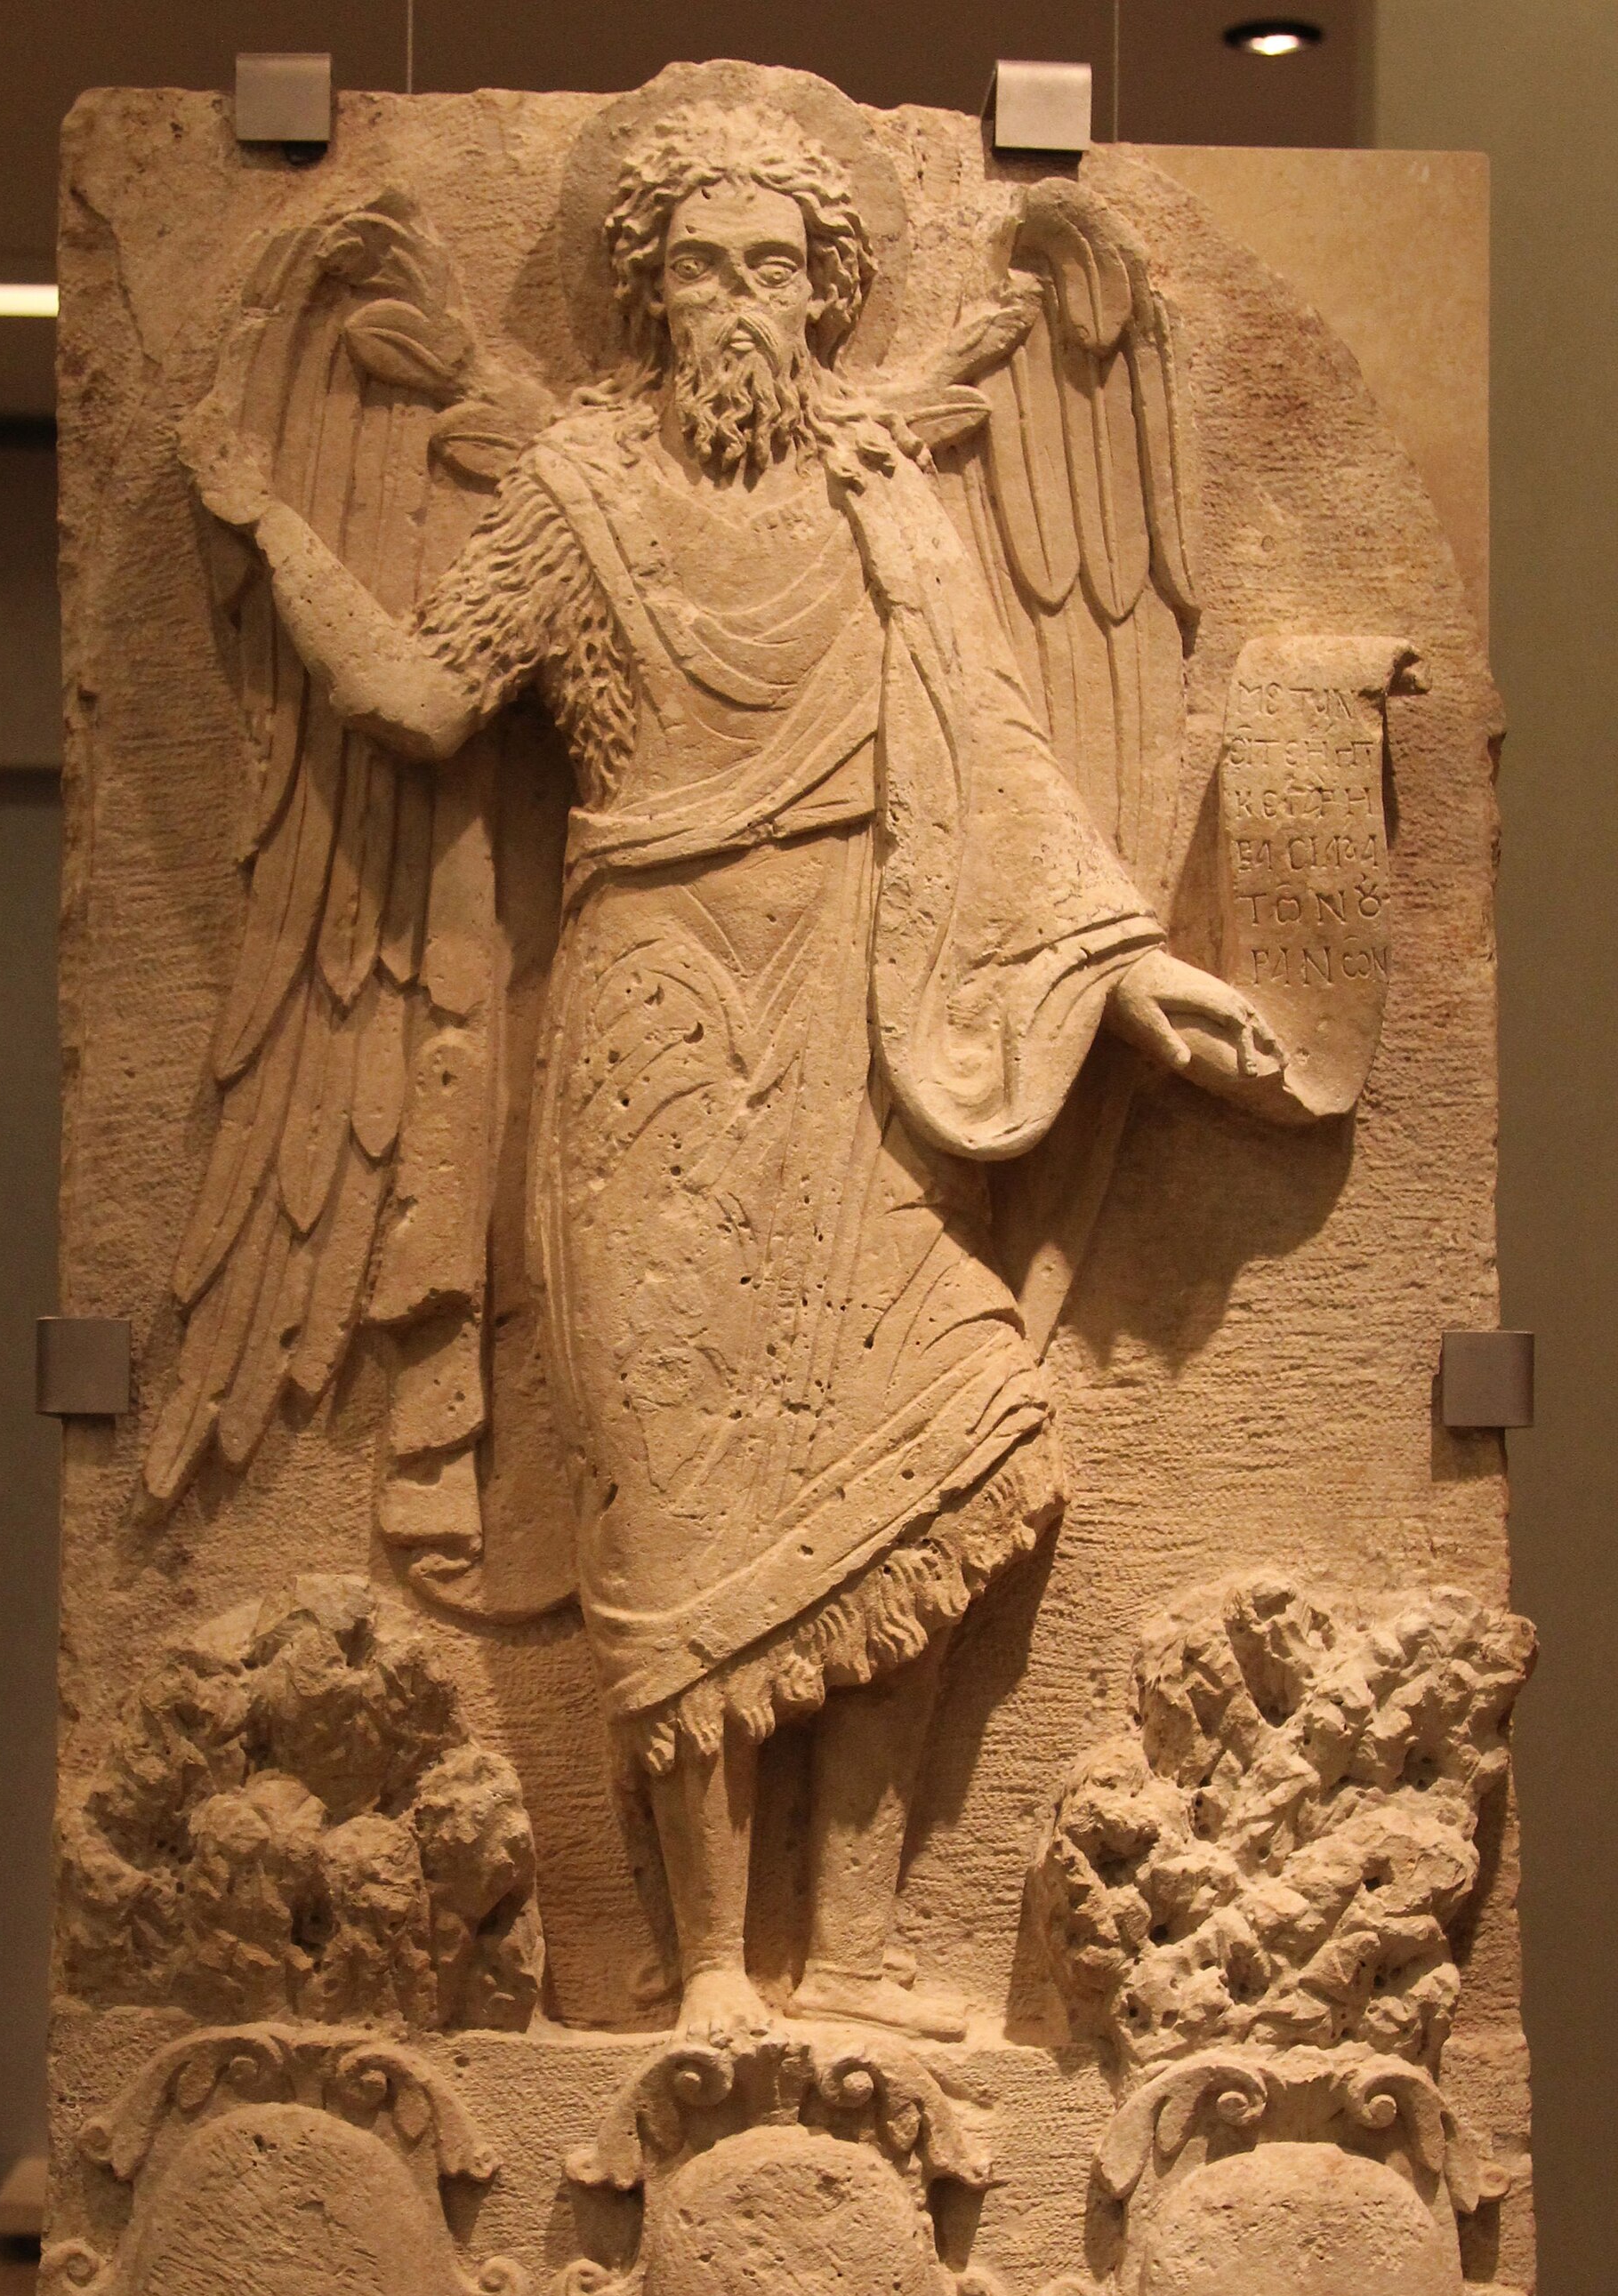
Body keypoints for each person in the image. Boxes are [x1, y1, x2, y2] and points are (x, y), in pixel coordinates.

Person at [180, 101, 1285, 2045]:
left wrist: (1125, 977)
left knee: (949, 1443)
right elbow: (429, 701)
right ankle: (706, 1974)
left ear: (831, 298)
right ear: (646, 298)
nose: (739, 304)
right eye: (702, 266)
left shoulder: (885, 510)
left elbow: (1003, 759)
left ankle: (847, 1942)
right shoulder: (580, 502)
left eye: (776, 266)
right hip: (656, 1032)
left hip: (860, 1041)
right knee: (686, 1490)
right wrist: (271, 526)